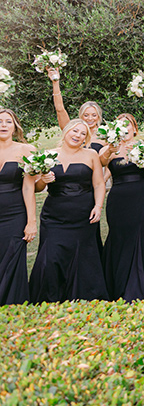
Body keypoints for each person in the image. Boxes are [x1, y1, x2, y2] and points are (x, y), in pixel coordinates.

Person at [29, 119, 108, 302]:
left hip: (83, 214)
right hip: (54, 216)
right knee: (51, 256)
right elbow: (37, 187)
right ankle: (51, 296)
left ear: (86, 138)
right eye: (75, 131)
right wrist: (43, 179)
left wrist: (98, 206)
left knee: (84, 257)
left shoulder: (91, 155)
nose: (77, 135)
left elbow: (98, 184)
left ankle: (85, 296)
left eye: (82, 134)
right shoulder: (49, 155)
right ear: (66, 132)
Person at [100, 114, 144, 301]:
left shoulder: (143, 146)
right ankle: (117, 280)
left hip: (142, 195)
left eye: (128, 124)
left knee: (141, 236)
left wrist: (143, 153)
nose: (125, 128)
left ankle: (139, 282)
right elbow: (102, 166)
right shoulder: (111, 149)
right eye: (121, 125)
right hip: (119, 197)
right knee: (120, 235)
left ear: (134, 128)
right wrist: (109, 150)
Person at [0, 109, 37, 305]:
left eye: (8, 121)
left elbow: (29, 187)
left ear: (15, 127)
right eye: (0, 121)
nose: (3, 125)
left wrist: (31, 221)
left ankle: (14, 306)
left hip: (14, 213)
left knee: (12, 258)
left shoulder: (26, 150)